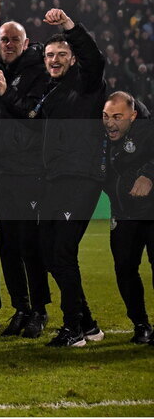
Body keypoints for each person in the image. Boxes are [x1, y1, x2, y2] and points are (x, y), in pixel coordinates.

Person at [0, 7, 108, 347]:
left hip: (80, 178)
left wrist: (70, 27)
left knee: (61, 252)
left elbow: (95, 58)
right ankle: (86, 323)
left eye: (61, 55)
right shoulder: (52, 92)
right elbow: (29, 117)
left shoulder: (87, 83)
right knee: (47, 250)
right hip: (55, 180)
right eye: (49, 55)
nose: (54, 60)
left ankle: (73, 327)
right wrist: (7, 96)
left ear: (73, 59)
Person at [0, 18, 50, 338]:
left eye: (14, 39)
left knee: (30, 245)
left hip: (29, 172)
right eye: (4, 39)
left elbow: (36, 119)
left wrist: (6, 94)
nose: (8, 43)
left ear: (26, 42)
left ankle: (39, 310)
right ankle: (21, 308)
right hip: (2, 172)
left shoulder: (38, 72)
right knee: (8, 247)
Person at [100, 91, 154, 346]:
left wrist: (148, 174)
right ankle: (140, 325)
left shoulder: (147, 130)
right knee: (124, 269)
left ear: (133, 116)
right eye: (106, 116)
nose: (110, 122)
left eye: (117, 117)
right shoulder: (103, 137)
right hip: (122, 214)